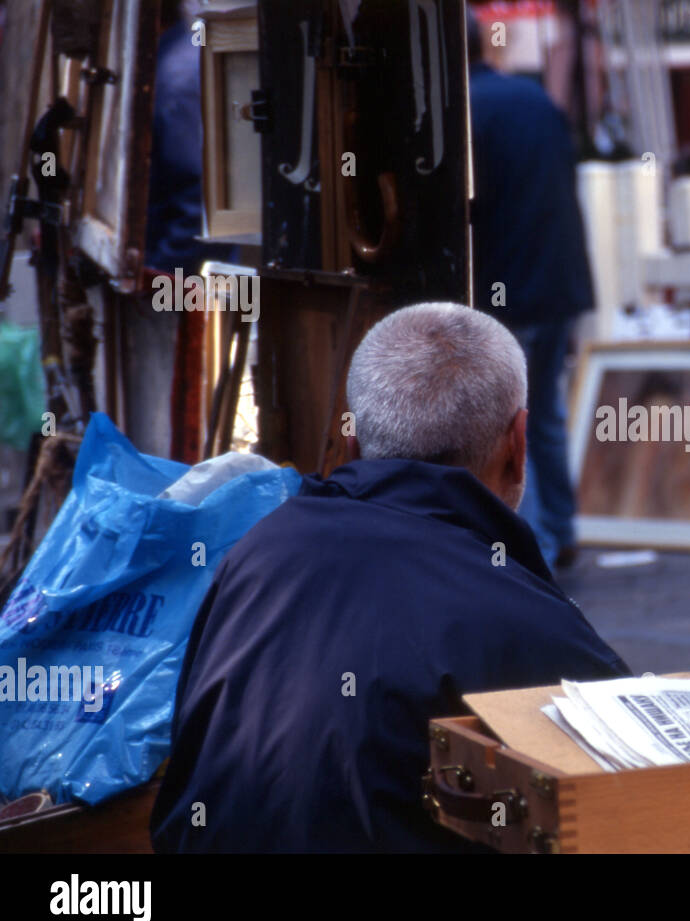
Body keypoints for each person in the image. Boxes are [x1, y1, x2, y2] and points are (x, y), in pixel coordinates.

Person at [150, 303, 629, 853]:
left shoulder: (259, 551)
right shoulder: (527, 622)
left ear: (352, 444)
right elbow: (634, 803)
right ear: (519, 446)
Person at [466, 11, 592, 569]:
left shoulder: (462, 109)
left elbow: (473, 209)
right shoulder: (533, 99)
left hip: (508, 286)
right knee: (543, 415)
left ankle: (537, 545)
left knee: (512, 420)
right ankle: (561, 531)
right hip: (557, 279)